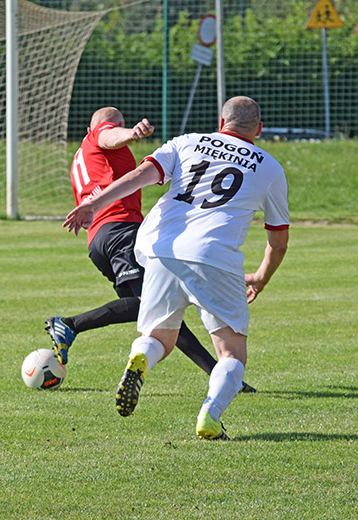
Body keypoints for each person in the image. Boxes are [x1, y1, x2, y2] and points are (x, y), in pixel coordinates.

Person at [63, 96, 289, 440]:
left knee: (158, 337)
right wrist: (260, 278)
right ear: (259, 129)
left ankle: (140, 358)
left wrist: (94, 203)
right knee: (231, 353)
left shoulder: (187, 142)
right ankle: (210, 415)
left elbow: (139, 175)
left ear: (221, 123)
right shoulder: (270, 168)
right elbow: (278, 241)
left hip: (159, 248)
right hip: (213, 253)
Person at [46, 106, 255, 392]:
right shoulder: (99, 137)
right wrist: (130, 133)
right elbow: (108, 135)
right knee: (154, 305)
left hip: (98, 241)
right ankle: (69, 324)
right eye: (117, 124)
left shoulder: (80, 157)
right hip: (121, 231)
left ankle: (223, 376)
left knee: (160, 312)